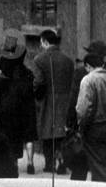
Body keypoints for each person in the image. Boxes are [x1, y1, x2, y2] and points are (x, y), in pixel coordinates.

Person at [32, 29, 75, 173]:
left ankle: (49, 164)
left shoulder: (39, 59)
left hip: (47, 100)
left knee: (47, 133)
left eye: (41, 43)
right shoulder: (68, 60)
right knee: (61, 133)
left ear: (44, 41)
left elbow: (38, 82)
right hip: (65, 100)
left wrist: (37, 96)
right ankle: (61, 160)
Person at [75, 51, 106, 182]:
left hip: (94, 128)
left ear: (88, 66)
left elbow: (83, 109)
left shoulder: (88, 80)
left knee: (98, 166)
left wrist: (81, 127)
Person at [0, 38, 37, 174]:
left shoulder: (4, 66)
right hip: (26, 104)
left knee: (9, 134)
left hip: (9, 104)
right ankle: (30, 161)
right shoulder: (26, 72)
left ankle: (12, 162)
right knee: (27, 134)